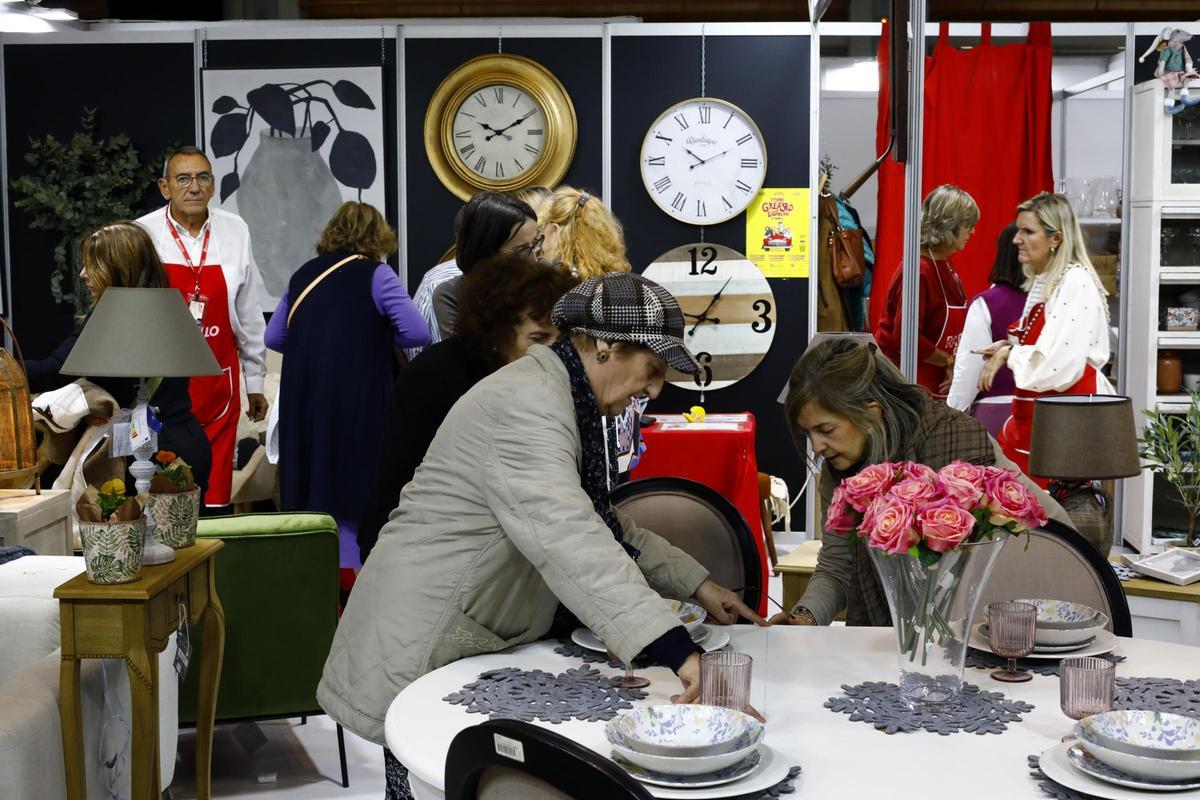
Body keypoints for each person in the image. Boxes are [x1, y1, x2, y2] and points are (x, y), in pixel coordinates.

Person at [318, 273, 765, 799]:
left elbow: (599, 520)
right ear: (605, 346)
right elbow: (571, 536)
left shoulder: (557, 392)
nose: (653, 390)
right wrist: (676, 648)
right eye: (652, 369)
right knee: (426, 784)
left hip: (458, 618)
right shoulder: (527, 405)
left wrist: (697, 584)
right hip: (427, 628)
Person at [767, 337, 1067, 627]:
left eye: (826, 429)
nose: (817, 446)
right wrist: (804, 617)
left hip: (990, 625)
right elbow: (836, 566)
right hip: (900, 643)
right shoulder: (842, 472)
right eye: (808, 433)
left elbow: (1057, 531)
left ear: (872, 414)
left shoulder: (957, 442)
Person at [357, 252, 579, 562]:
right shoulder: (437, 377)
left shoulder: (537, 377)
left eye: (559, 340)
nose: (552, 351)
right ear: (498, 331)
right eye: (538, 338)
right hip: (421, 551)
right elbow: (404, 492)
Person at [265, 202, 429, 569]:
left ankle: (310, 570)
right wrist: (373, 337)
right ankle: (353, 576)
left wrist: (317, 343)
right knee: (357, 476)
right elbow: (419, 332)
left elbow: (274, 337)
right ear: (378, 237)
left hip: (304, 396)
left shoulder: (303, 274)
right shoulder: (377, 275)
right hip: (359, 395)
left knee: (312, 473)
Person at [26, 221, 212, 495]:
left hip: (152, 455)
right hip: (184, 444)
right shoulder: (165, 310)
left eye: (92, 264)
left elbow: (54, 370)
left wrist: (9, 370)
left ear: (117, 268)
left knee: (135, 537)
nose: (83, 273)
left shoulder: (113, 317)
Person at [136, 145, 267, 508]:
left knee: (214, 501)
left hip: (219, 384)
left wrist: (254, 382)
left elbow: (248, 309)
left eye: (202, 178)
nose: (193, 186)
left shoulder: (235, 229)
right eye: (183, 179)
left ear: (212, 186)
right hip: (163, 388)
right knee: (165, 496)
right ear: (165, 187)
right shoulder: (142, 233)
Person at [978, 193, 1114, 482]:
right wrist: (1007, 346)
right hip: (1037, 426)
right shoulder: (1046, 280)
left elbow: (1058, 364)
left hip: (1063, 435)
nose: (1016, 239)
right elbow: (1044, 344)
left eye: (1028, 231)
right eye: (1019, 230)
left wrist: (1009, 355)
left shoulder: (1076, 282)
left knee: (1051, 520)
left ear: (1056, 238)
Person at [875, 184, 978, 400]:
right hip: (909, 386)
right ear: (949, 225)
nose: (972, 232)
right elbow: (906, 338)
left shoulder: (945, 264)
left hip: (937, 387)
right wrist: (949, 361)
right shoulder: (918, 271)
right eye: (968, 225)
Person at [946, 224, 1027, 437]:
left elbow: (969, 369)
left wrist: (949, 418)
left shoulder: (987, 304)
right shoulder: (1053, 302)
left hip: (996, 414)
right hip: (1047, 413)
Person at [430, 191, 541, 341]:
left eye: (536, 243)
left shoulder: (546, 278)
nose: (534, 258)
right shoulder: (452, 294)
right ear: (487, 252)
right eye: (521, 250)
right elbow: (462, 358)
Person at [539, 186, 631, 279]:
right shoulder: (620, 280)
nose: (537, 245)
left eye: (541, 233)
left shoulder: (560, 286)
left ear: (555, 230)